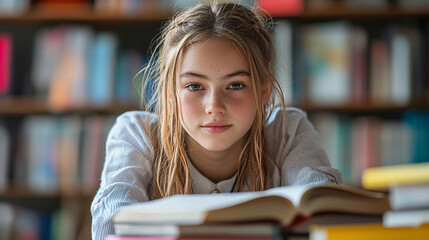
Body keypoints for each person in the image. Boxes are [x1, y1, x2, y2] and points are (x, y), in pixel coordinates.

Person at [91, 2, 342, 240]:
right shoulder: (139, 134)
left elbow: (323, 212)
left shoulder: (287, 131)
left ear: (264, 91)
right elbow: (113, 224)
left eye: (235, 85)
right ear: (170, 93)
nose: (214, 107)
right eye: (194, 86)